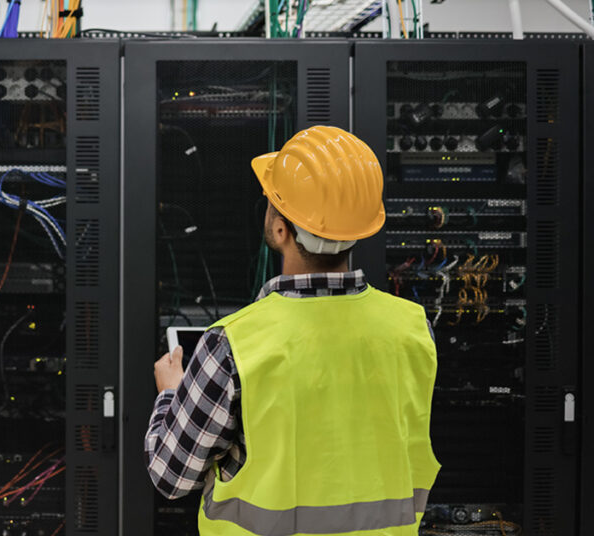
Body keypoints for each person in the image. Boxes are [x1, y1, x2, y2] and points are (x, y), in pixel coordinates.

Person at [146, 125, 440, 536]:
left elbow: (170, 477)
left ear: (281, 229)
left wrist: (170, 394)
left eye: (271, 203)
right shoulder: (414, 329)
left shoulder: (232, 344)